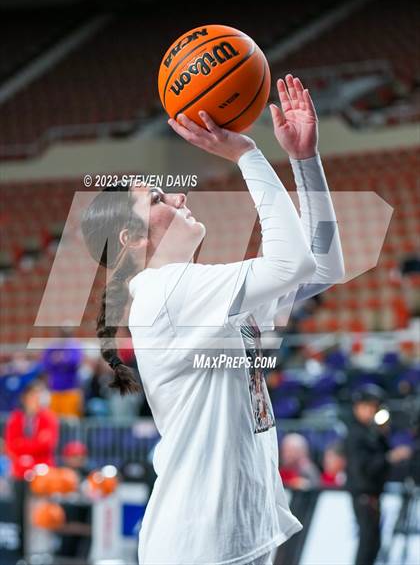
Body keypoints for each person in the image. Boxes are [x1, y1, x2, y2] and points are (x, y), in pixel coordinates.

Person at [81, 74, 344, 565]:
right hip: (200, 542)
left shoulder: (196, 291)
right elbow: (295, 264)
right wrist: (247, 153)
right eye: (159, 199)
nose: (180, 197)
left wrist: (305, 161)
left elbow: (323, 266)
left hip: (224, 537)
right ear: (131, 240)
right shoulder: (165, 292)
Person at [345, 384, 412, 565]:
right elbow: (364, 467)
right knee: (367, 544)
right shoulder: (356, 434)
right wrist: (390, 457)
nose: (372, 411)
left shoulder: (372, 432)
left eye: (375, 407)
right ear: (357, 407)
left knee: (374, 543)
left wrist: (383, 435)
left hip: (374, 494)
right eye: (368, 406)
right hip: (364, 496)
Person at [4, 380, 59, 559]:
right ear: (25, 398)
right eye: (33, 395)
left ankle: (43, 554)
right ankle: (22, 556)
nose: (36, 399)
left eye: (39, 395)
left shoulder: (48, 417)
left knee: (42, 515)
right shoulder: (16, 418)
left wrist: (25, 449)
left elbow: (47, 444)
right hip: (20, 473)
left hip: (43, 476)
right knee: (20, 515)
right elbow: (11, 445)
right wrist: (29, 450)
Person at [41, 327, 84, 418]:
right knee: (54, 419)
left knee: (71, 421)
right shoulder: (52, 347)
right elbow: (45, 363)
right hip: (55, 390)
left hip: (70, 390)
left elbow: (75, 361)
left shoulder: (75, 346)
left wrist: (62, 358)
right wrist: (59, 359)